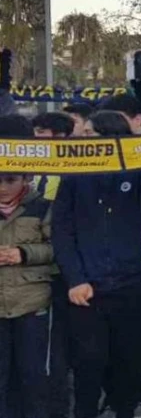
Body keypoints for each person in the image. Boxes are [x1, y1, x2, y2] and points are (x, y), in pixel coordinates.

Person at [52, 110, 141, 418]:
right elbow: (61, 232)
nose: (83, 138)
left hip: (132, 284)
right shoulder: (73, 175)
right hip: (87, 287)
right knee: (88, 364)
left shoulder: (135, 169)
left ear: (110, 134)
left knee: (128, 363)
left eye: (89, 133)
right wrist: (75, 278)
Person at [0, 115, 53, 418]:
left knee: (33, 377)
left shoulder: (41, 206)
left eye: (11, 179)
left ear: (26, 178)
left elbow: (58, 249)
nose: (4, 187)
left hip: (32, 304)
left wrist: (23, 253)